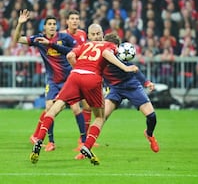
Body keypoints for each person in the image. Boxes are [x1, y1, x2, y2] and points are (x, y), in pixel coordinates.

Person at [30, 26, 139, 165]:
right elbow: (106, 54)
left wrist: (77, 69)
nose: (97, 36)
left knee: (54, 109)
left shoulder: (85, 45)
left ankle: (39, 139)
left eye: (98, 33)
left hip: (75, 75)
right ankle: (86, 146)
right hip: (92, 78)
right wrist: (126, 67)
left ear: (101, 34)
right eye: (94, 34)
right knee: (100, 117)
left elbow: (70, 55)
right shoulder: (109, 45)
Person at [74, 25, 159, 160]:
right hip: (115, 90)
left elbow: (134, 69)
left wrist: (147, 83)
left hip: (132, 87)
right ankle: (85, 148)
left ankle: (149, 134)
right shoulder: (100, 56)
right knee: (101, 118)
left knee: (152, 116)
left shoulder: (119, 56)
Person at [13, 9, 86, 152]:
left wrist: (51, 44)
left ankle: (83, 141)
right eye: (50, 24)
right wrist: (20, 24)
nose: (52, 26)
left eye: (54, 23)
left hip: (68, 80)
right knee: (48, 109)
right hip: (53, 81)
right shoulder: (39, 39)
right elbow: (18, 39)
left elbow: (77, 51)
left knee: (76, 108)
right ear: (44, 27)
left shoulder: (64, 37)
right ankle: (51, 142)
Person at [61, 10, 94, 151]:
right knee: (71, 108)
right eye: (72, 18)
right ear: (67, 21)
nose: (74, 21)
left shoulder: (82, 35)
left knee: (87, 106)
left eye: (77, 18)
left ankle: (83, 138)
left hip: (80, 74)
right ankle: (40, 136)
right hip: (65, 76)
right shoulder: (62, 35)